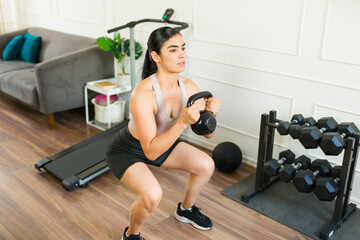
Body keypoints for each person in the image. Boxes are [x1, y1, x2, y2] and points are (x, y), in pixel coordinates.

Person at [106, 26, 221, 240]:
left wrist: (211, 116)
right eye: (173, 50)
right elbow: (150, 152)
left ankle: (185, 210)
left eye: (183, 49)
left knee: (206, 165)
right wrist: (182, 123)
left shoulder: (189, 87)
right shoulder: (143, 93)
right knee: (152, 195)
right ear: (155, 56)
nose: (182, 55)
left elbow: (208, 136)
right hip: (128, 150)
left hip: (163, 144)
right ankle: (131, 235)